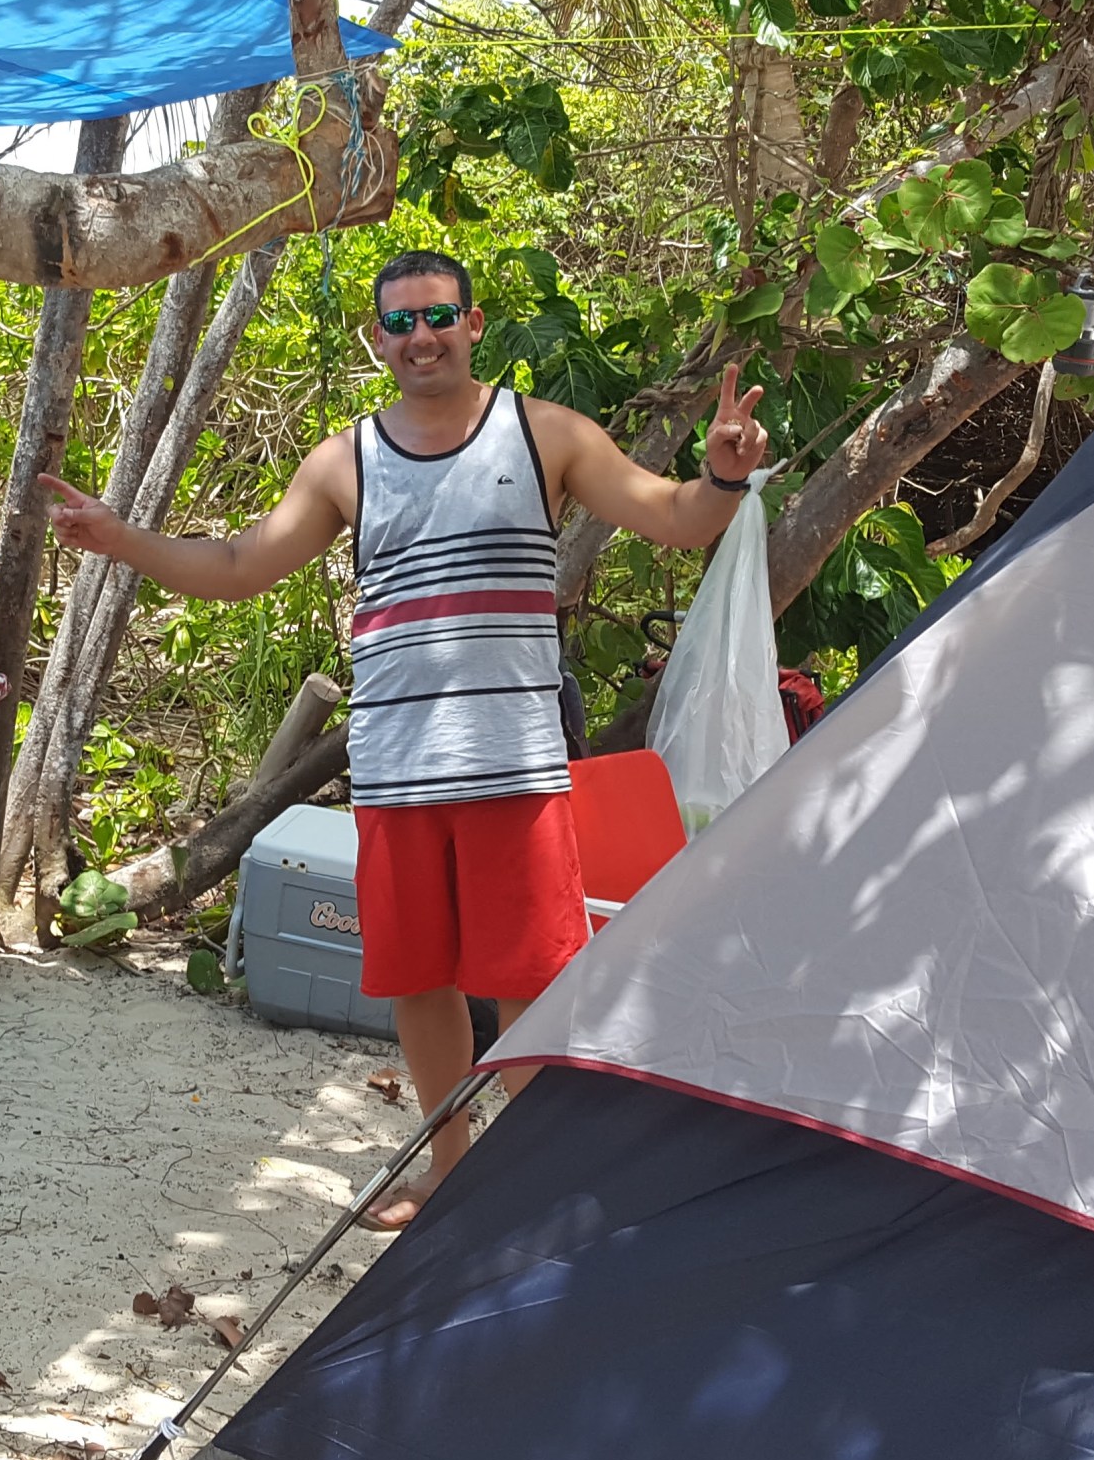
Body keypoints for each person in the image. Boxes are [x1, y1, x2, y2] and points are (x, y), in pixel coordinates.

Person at [41, 249, 768, 1227]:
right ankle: (447, 1170)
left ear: (473, 323)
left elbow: (671, 517)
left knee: (530, 979)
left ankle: (535, 1184)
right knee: (419, 980)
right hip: (396, 769)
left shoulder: (545, 433)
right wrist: (121, 537)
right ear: (378, 339)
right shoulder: (343, 460)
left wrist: (720, 476)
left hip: (513, 764)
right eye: (400, 322)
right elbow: (240, 563)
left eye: (438, 316)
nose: (421, 336)